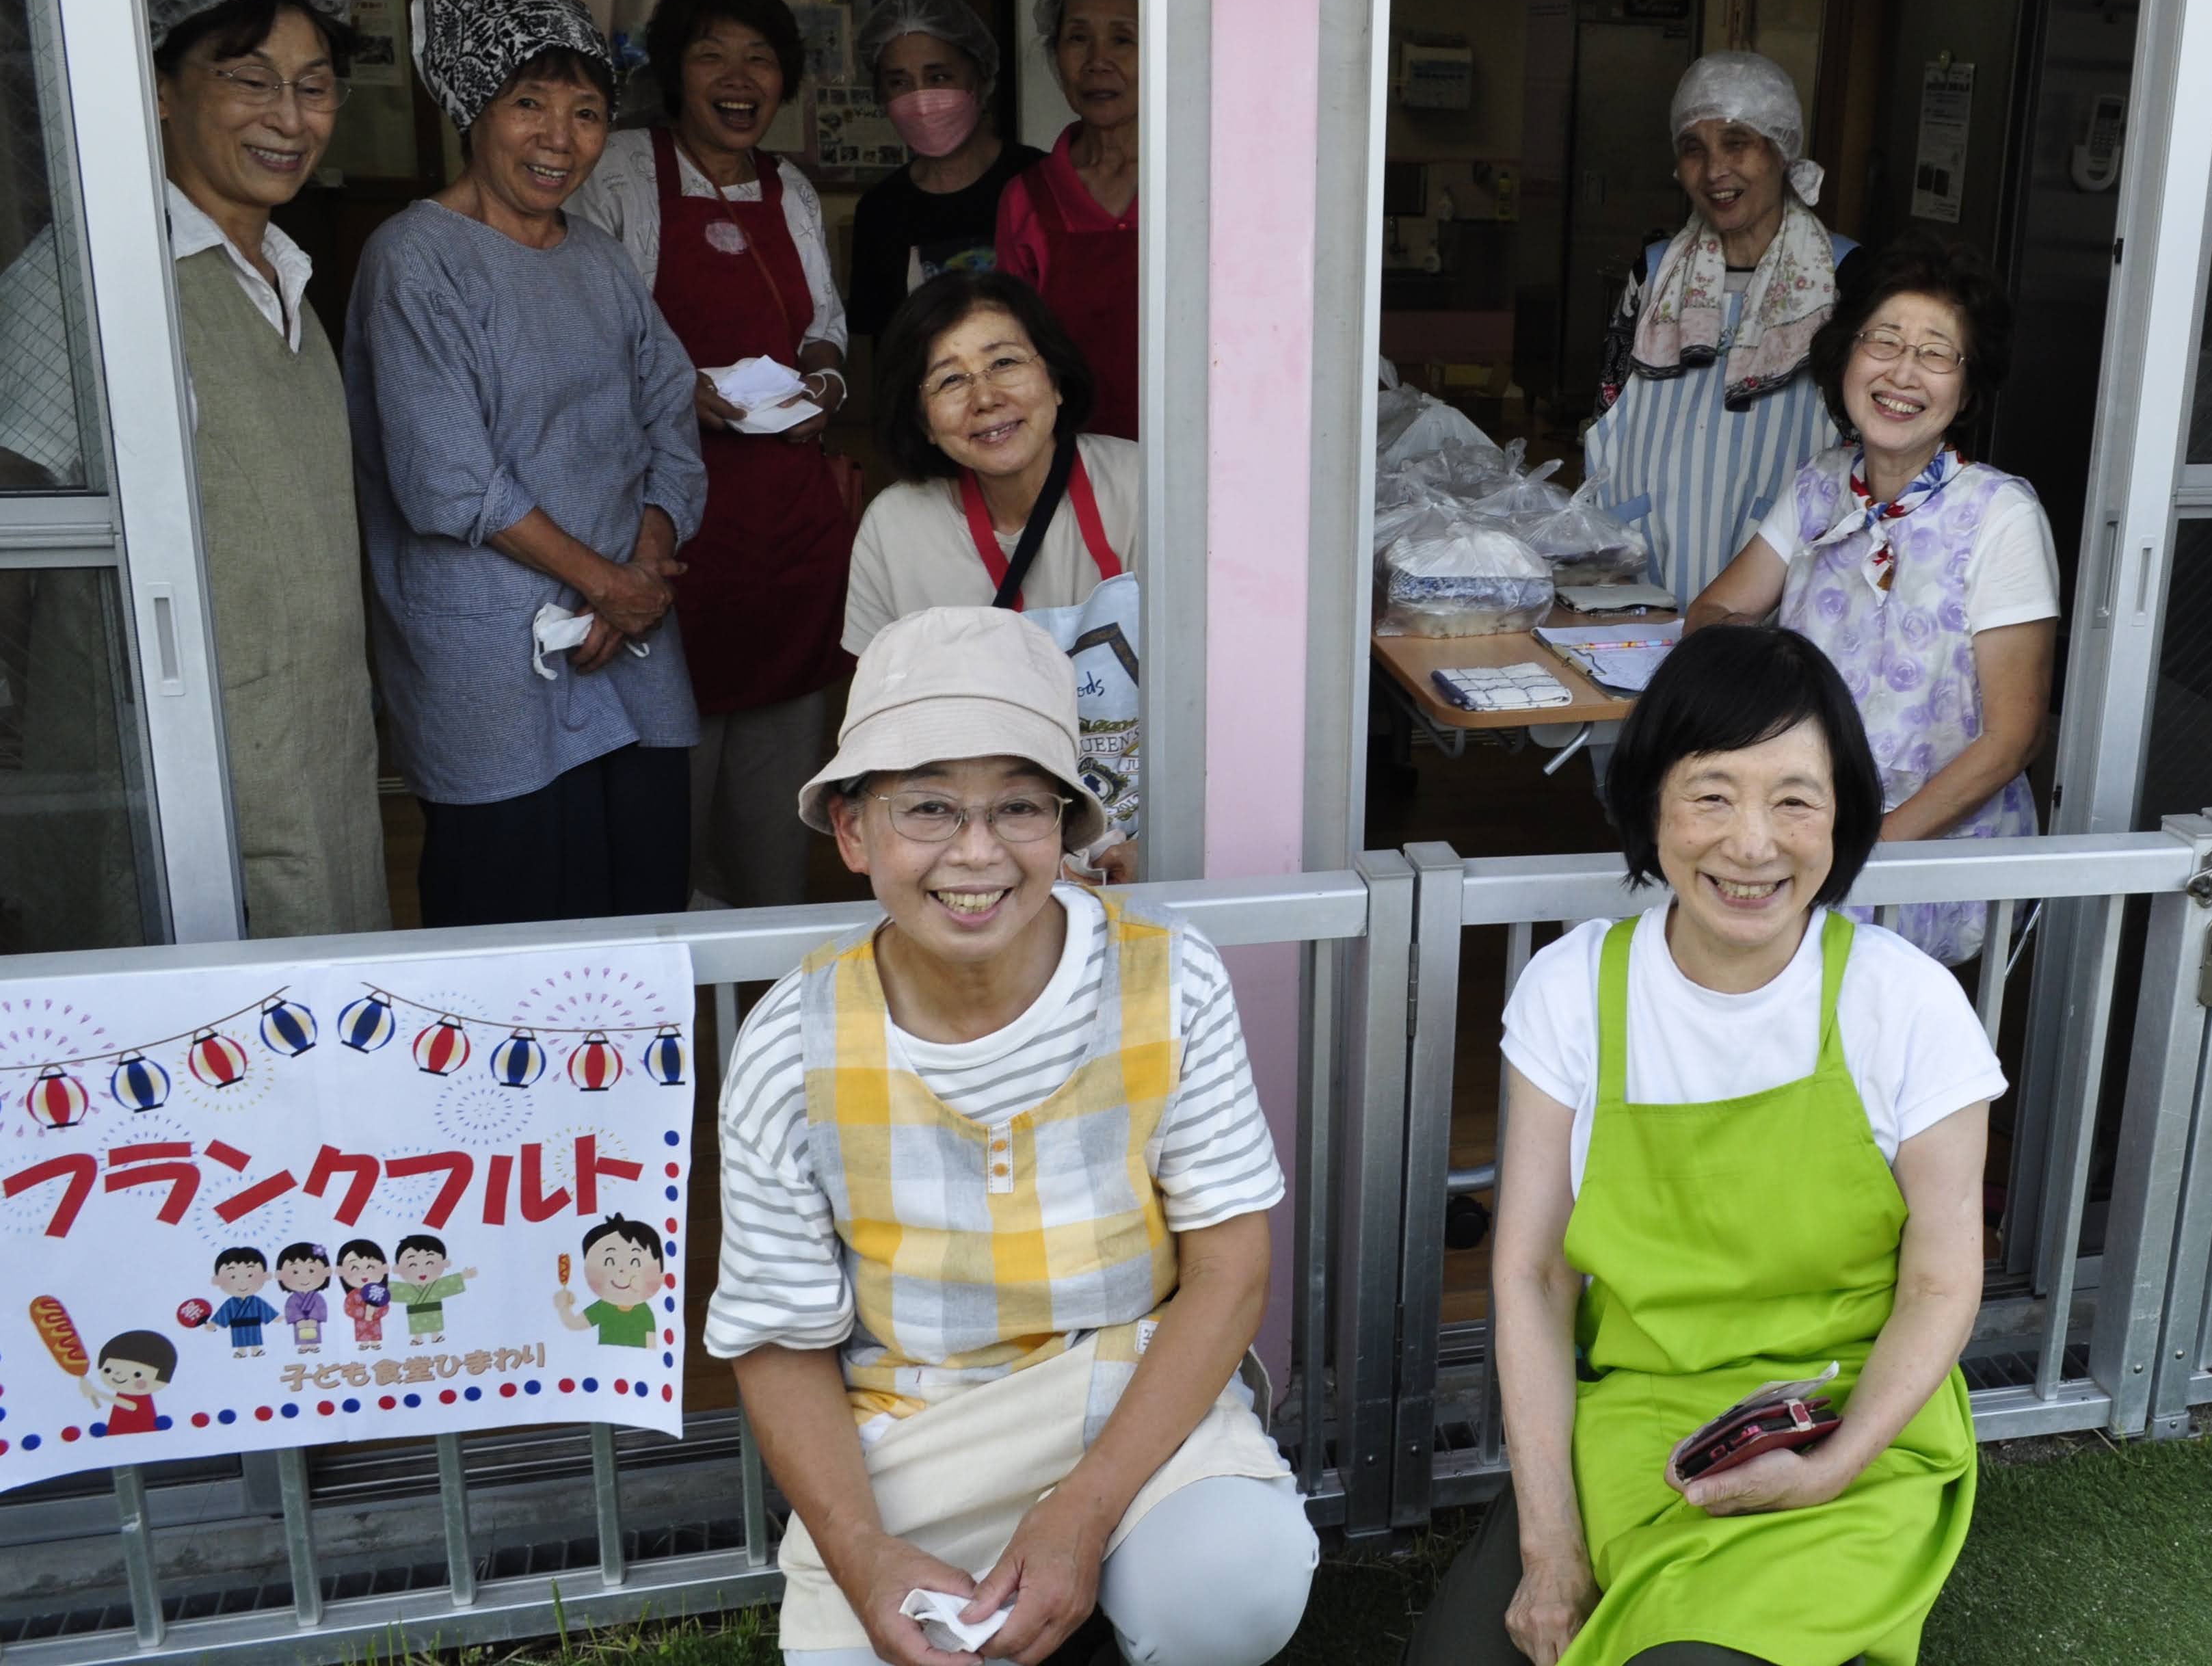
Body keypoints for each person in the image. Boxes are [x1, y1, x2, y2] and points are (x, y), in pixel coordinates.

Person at [708, 606, 1314, 1666]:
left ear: (1067, 830)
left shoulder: (1168, 979)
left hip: (1128, 1377)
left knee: (1233, 1589)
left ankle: (1122, 1572)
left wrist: (1081, 1509)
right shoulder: (787, 1046)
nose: (977, 854)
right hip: (916, 1417)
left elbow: (1227, 1268)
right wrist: (860, 1551)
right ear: (853, 832)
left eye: (1020, 807)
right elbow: (777, 1335)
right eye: (928, 808)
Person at [1406, 624, 2005, 1666]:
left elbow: (1942, 1284)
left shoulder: (1908, 1003)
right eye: (1712, 794)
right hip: (1640, 1414)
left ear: (1843, 814)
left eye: (1795, 799)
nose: (1752, 844)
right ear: (1650, 805)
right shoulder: (1572, 988)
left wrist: (1834, 1466)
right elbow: (1536, 1273)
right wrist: (1550, 1544)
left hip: (1840, 1419)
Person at [347, 0, 706, 927]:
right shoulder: (416, 260)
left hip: (629, 640)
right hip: (493, 663)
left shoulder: (595, 256)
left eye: (587, 112)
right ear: (473, 110)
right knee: (519, 938)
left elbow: (670, 403)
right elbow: (448, 476)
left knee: (642, 910)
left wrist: (642, 562)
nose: (561, 137)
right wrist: (608, 586)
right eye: (529, 104)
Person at [570, 0, 855, 912]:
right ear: (672, 73)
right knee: (668, 800)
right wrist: (675, 388)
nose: (739, 78)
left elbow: (825, 322)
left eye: (762, 58)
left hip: (790, 530)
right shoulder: (616, 171)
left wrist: (822, 377)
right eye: (712, 55)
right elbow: (579, 336)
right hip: (669, 526)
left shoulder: (792, 187)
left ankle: (766, 1000)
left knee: (776, 803)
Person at [1688, 237, 2055, 966]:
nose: (1901, 372)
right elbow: (1710, 616)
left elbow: (2010, 740)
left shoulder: (1999, 516)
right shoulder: (1820, 486)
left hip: (1926, 862)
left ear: (1968, 388)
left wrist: (1866, 851)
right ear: (1845, 358)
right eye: (1882, 341)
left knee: (1891, 1066)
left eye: (1935, 353)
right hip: (1806, 839)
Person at [143, 0, 388, 935]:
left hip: (316, 741)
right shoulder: (121, 291)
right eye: (249, 81)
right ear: (161, 89)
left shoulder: (289, 274)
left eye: (314, 88)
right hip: (195, 765)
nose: (289, 120)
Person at [842, 271, 1143, 880]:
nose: (984, 397)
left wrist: (1145, 842)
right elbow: (882, 741)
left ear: (1055, 380)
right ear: (924, 420)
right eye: (951, 379)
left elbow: (1222, 698)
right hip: (979, 854)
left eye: (1004, 362)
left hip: (1150, 835)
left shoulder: (1146, 488)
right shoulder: (895, 529)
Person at [1586, 51, 1871, 609]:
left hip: (1784, 575)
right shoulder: (1654, 273)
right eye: (1694, 149)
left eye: (1737, 142)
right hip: (1648, 568)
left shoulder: (1848, 281)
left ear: (1781, 151)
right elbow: (1607, 413)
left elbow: (1871, 447)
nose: (1715, 170)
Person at [847, 0, 1046, 343]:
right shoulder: (880, 211)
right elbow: (873, 345)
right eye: (899, 82)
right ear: (881, 94)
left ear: (980, 78)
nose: (921, 99)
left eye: (938, 77)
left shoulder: (1040, 183)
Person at [998, 0, 1140, 439]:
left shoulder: (1205, 184)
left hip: (1193, 461)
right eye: (1078, 38)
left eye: (1123, 39)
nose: (1098, 61)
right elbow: (1010, 347)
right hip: (1067, 460)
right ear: (1055, 55)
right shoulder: (1028, 197)